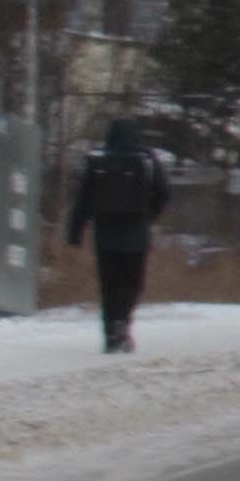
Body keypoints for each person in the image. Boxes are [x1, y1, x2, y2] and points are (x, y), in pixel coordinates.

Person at [64, 115, 169, 353]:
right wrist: (149, 216)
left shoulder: (97, 160)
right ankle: (123, 323)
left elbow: (83, 201)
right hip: (136, 235)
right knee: (132, 283)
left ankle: (110, 332)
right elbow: (164, 193)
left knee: (109, 284)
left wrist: (75, 234)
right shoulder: (147, 160)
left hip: (105, 234)